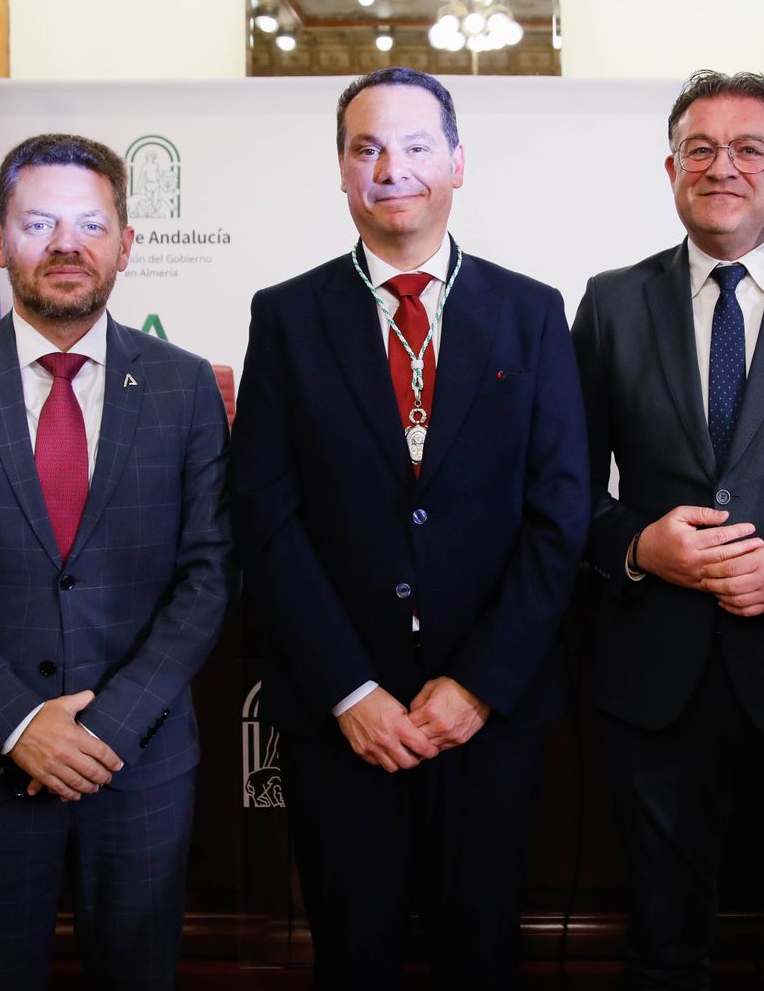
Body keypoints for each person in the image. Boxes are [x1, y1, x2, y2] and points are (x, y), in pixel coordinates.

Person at [229, 66, 589, 990]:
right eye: (367, 148)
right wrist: (350, 691)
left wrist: (478, 685)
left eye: (417, 144)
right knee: (352, 955)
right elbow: (265, 520)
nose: (393, 168)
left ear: (458, 163)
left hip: (487, 715)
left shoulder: (533, 312)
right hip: (342, 716)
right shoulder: (286, 315)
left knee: (482, 952)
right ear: (344, 173)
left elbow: (560, 518)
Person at [0, 132, 233, 989]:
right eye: (39, 222)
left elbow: (211, 573)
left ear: (126, 244)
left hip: (137, 764)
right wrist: (22, 724)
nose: (67, 245)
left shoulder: (185, 388)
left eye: (91, 224)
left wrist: (103, 728)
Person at [571, 70, 764, 989]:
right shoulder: (612, 303)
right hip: (655, 679)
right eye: (701, 149)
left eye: (751, 149)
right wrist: (634, 546)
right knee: (663, 947)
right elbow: (566, 492)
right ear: (671, 168)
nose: (724, 167)